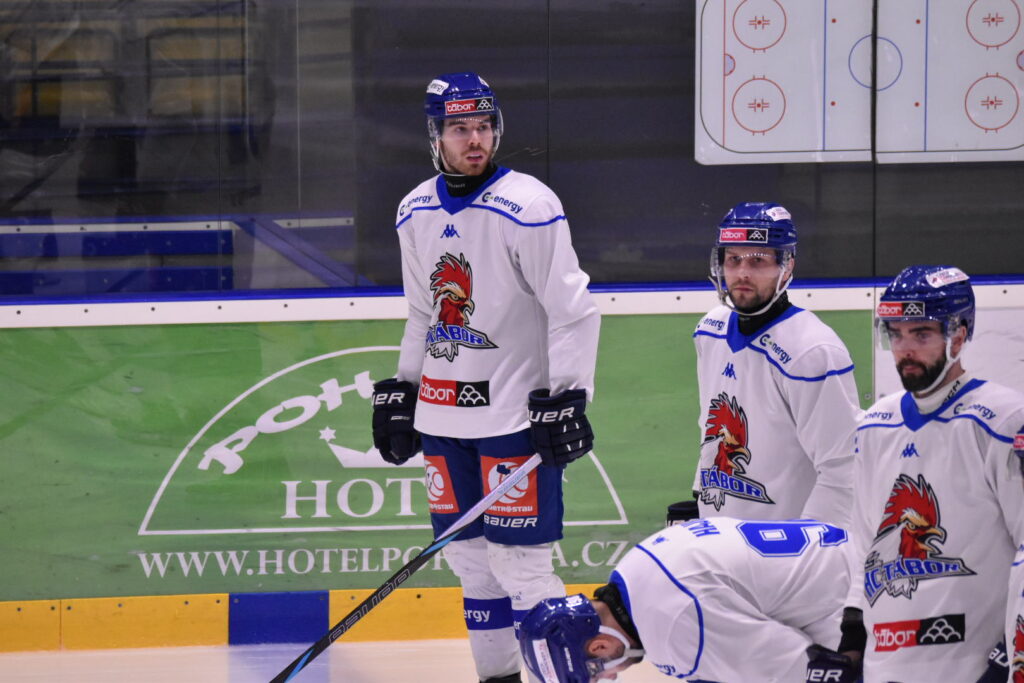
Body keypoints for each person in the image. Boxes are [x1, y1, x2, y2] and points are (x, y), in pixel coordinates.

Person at [370, 72, 600, 683]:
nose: (474, 140)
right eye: (459, 128)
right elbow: (422, 311)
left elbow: (573, 310)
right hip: (442, 419)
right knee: (472, 564)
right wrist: (404, 389)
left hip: (511, 419)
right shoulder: (414, 209)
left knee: (521, 566)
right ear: (435, 136)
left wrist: (569, 397)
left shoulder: (529, 205)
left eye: (483, 126)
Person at [812, 265, 1024, 683]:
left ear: (958, 336)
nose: (905, 349)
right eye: (896, 335)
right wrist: (852, 643)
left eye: (921, 334)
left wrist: (1011, 656)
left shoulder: (1004, 421)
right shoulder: (874, 425)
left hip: (972, 668)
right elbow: (865, 545)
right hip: (886, 668)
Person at [667, 202, 860, 526]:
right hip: (723, 537)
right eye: (733, 259)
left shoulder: (812, 351)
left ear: (787, 265)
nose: (742, 272)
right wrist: (701, 496)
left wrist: (812, 544)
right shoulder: (710, 329)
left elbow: (843, 468)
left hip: (785, 546)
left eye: (757, 260)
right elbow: (710, 429)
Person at [518, 516, 851, 682]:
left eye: (597, 675)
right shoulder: (633, 568)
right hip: (849, 555)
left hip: (855, 600)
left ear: (600, 647)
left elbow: (807, 670)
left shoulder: (670, 629)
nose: (613, 677)